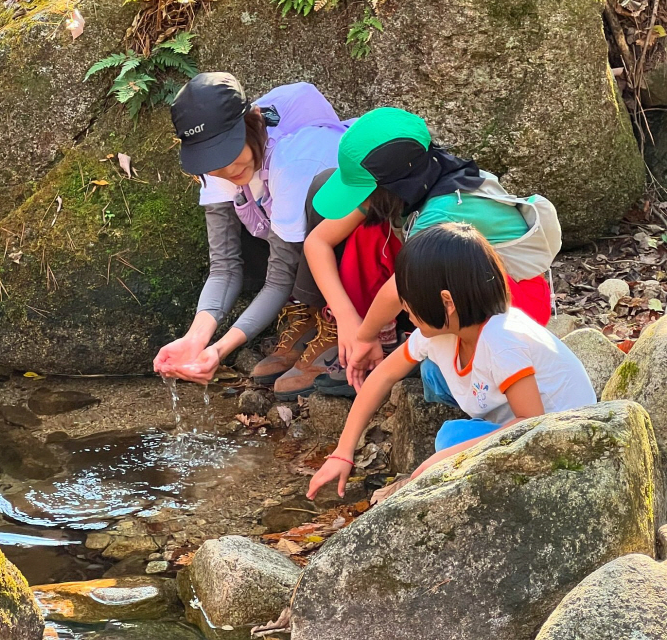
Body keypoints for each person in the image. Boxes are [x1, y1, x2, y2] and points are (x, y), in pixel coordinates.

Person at [306, 223, 596, 500]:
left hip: (562, 438)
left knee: (450, 441)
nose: (404, 309)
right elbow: (383, 376)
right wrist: (343, 452)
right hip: (513, 411)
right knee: (433, 376)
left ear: (447, 302)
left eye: (409, 300)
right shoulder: (439, 334)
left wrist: (429, 468)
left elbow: (531, 424)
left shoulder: (502, 340)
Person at [297, 107, 560, 398]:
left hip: (508, 302)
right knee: (369, 232)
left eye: (364, 192)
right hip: (449, 287)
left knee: (435, 363)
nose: (362, 201)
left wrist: (364, 335)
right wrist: (348, 320)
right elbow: (316, 242)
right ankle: (395, 344)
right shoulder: (417, 177)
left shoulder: (444, 212)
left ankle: (416, 352)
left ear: (391, 186)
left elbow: (399, 287)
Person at [153, 72, 352, 384]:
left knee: (316, 203)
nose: (227, 169)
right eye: (213, 161)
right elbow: (224, 267)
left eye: (230, 152)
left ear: (254, 121)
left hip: (349, 230)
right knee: (234, 214)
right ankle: (307, 317)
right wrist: (196, 339)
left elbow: (279, 277)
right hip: (288, 229)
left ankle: (338, 323)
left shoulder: (292, 159)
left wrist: (221, 349)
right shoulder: (220, 171)